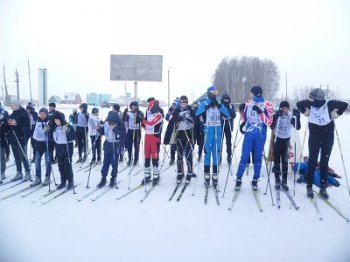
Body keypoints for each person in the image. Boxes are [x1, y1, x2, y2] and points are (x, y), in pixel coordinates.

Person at [296, 88, 348, 199]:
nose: (310, 100)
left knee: (324, 161)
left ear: (318, 99)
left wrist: (337, 113)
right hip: (314, 135)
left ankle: (323, 187)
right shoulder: (310, 104)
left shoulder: (330, 104)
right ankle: (309, 186)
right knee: (312, 161)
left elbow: (344, 104)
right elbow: (298, 104)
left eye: (312, 98)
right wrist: (305, 111)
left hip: (327, 136)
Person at [234, 86, 273, 191]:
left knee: (257, 157)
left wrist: (260, 112)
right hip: (249, 133)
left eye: (253, 93)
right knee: (245, 155)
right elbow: (244, 118)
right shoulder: (249, 103)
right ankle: (238, 178)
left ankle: (255, 179)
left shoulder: (267, 104)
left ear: (257, 93)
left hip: (260, 133)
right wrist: (242, 111)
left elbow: (269, 122)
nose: (252, 95)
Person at [195, 86, 230, 187]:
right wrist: (208, 106)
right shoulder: (204, 102)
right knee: (207, 153)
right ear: (209, 93)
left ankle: (215, 175)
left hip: (217, 130)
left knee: (216, 152)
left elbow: (228, 114)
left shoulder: (219, 103)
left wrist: (219, 106)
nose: (215, 94)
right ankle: (206, 175)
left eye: (216, 92)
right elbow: (197, 114)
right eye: (213, 92)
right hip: (207, 130)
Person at [164, 95, 196, 184]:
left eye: (185, 103)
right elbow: (171, 121)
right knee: (180, 156)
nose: (183, 104)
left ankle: (189, 173)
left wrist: (187, 118)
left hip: (189, 134)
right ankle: (180, 173)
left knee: (189, 156)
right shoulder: (176, 110)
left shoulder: (191, 110)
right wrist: (177, 118)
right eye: (182, 103)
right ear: (180, 103)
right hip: (179, 135)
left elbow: (195, 120)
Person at [270, 101, 301, 191]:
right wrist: (276, 116)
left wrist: (297, 117)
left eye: (286, 108)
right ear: (280, 109)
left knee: (284, 162)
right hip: (277, 140)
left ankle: (284, 181)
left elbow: (298, 127)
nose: (285, 110)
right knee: (276, 160)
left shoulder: (290, 115)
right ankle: (277, 180)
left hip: (286, 141)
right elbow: (271, 127)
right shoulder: (277, 115)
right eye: (283, 108)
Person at [96, 111, 126, 188]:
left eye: (113, 122)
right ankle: (103, 178)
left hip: (115, 146)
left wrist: (115, 129)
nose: (111, 124)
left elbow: (121, 136)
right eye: (110, 122)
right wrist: (99, 129)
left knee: (114, 164)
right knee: (105, 164)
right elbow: (103, 132)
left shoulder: (121, 125)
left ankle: (113, 178)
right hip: (107, 145)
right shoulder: (106, 123)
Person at [29, 108, 55, 187]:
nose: (42, 115)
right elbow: (34, 132)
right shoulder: (37, 121)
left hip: (48, 144)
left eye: (43, 113)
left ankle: (47, 177)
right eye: (40, 113)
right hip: (39, 145)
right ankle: (38, 178)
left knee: (48, 162)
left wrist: (49, 131)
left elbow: (54, 131)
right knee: (37, 162)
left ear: (46, 114)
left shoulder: (50, 121)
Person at [140, 98, 163, 186]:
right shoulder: (148, 114)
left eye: (149, 106)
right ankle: (147, 176)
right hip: (147, 138)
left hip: (154, 138)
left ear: (153, 106)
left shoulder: (159, 115)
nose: (148, 108)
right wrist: (141, 122)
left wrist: (143, 120)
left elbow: (150, 124)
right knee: (146, 158)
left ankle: (156, 176)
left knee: (154, 159)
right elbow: (146, 127)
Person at [7, 101, 32, 182]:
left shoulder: (24, 114)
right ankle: (19, 172)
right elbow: (8, 124)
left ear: (17, 105)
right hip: (13, 138)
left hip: (21, 138)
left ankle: (27, 172)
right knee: (16, 157)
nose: (11, 106)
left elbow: (27, 126)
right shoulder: (12, 114)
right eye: (10, 105)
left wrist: (16, 124)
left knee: (23, 156)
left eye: (12, 104)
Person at [52, 111, 75, 190]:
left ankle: (70, 181)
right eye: (55, 120)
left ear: (61, 119)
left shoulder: (67, 126)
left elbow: (73, 137)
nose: (56, 121)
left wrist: (67, 131)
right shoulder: (54, 127)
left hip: (67, 147)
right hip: (59, 147)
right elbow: (51, 137)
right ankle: (63, 181)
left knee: (67, 165)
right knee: (60, 166)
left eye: (58, 120)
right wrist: (46, 130)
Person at [122, 101, 144, 166]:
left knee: (136, 146)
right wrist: (124, 113)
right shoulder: (128, 113)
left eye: (134, 106)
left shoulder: (140, 112)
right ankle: (130, 159)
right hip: (130, 131)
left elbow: (142, 120)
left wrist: (138, 118)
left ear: (137, 106)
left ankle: (136, 159)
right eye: (132, 106)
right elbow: (124, 120)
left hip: (137, 131)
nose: (133, 107)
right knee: (129, 146)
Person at [220, 94, 236, 165]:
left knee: (229, 142)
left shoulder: (231, 106)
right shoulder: (220, 105)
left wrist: (228, 110)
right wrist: (222, 116)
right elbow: (218, 114)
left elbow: (233, 115)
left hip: (228, 127)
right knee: (220, 142)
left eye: (227, 99)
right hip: (220, 126)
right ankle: (219, 156)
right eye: (224, 99)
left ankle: (229, 156)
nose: (226, 101)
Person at [165, 98, 179, 165]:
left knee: (179, 144)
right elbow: (167, 118)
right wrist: (170, 114)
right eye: (173, 104)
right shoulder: (170, 110)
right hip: (171, 129)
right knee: (172, 144)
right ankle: (172, 158)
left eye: (175, 105)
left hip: (179, 129)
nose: (174, 106)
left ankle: (179, 158)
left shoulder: (179, 110)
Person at [0, 106, 9, 181]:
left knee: (1, 157)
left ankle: (2, 173)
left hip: (2, 138)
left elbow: (7, 124)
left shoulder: (4, 113)